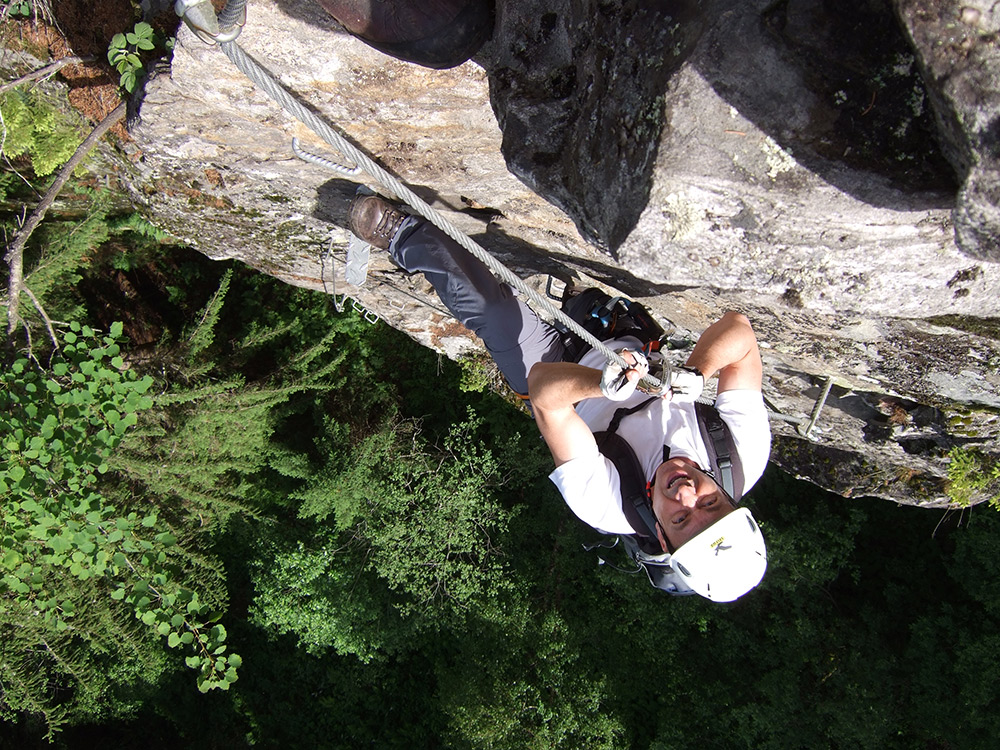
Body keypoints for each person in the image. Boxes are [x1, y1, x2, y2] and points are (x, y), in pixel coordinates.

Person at [349, 195, 770, 601]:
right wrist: (697, 372)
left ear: (661, 534)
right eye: (711, 502)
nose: (686, 495)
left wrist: (600, 384)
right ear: (732, 498)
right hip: (625, 337)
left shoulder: (605, 505)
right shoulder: (739, 454)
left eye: (681, 519)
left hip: (560, 370)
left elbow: (545, 393)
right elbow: (740, 332)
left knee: (493, 313)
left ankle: (403, 235)